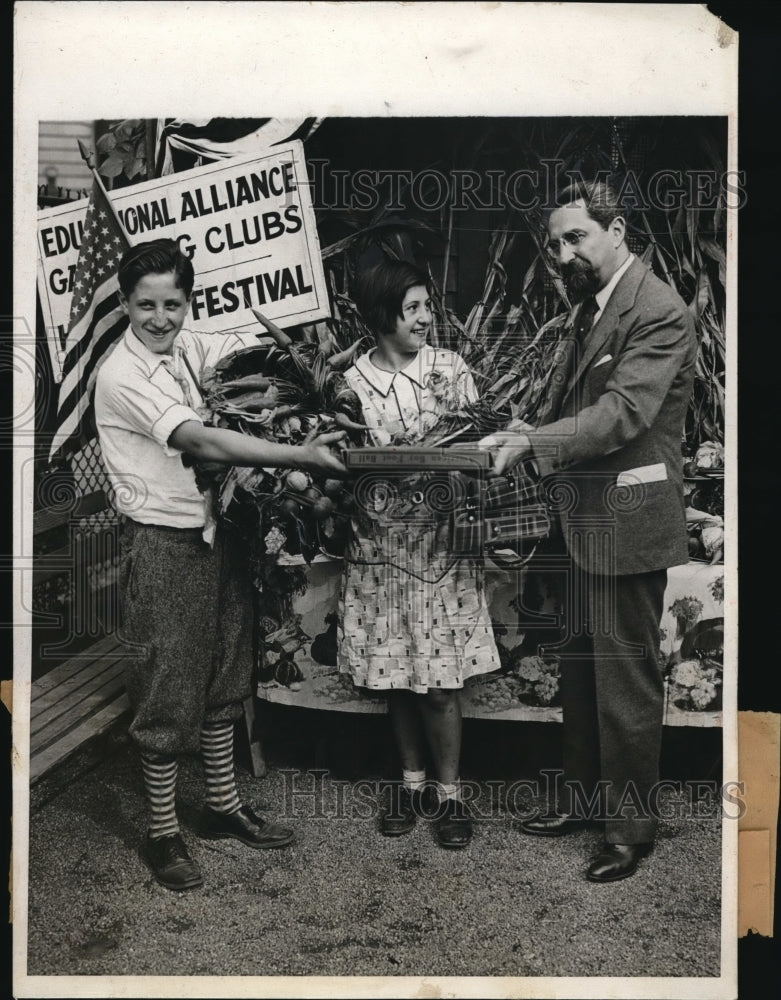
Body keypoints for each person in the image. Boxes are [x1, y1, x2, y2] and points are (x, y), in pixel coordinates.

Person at [94, 238, 346, 891]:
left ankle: (222, 807)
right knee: (168, 683)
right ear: (125, 303)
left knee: (227, 668)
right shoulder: (122, 373)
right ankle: (160, 832)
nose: (158, 317)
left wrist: (310, 350)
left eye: (172, 304)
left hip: (216, 531)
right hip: (161, 543)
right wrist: (294, 457)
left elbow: (250, 343)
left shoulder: (186, 345)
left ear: (187, 301)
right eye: (145, 305)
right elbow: (198, 439)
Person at [479, 182, 696, 882]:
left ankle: (630, 831)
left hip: (625, 524)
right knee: (579, 673)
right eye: (553, 242)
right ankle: (581, 800)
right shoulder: (591, 308)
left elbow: (621, 414)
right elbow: (574, 406)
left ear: (617, 229)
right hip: (580, 522)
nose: (561, 252)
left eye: (574, 236)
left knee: (624, 682)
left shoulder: (656, 309)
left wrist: (534, 444)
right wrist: (527, 429)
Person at [337, 260, 500, 848]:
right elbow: (345, 465)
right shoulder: (352, 384)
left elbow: (477, 444)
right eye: (413, 309)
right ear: (383, 316)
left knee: (440, 681)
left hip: (441, 549)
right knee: (397, 673)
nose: (427, 317)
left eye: (428, 306)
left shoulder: (452, 371)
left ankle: (450, 795)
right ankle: (409, 783)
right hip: (383, 549)